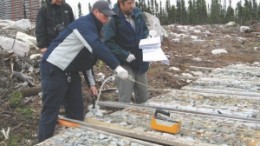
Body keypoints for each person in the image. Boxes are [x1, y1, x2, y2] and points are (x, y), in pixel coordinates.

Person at [38, 0, 128, 142]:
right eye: (105, 16)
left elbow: (87, 59)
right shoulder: (84, 25)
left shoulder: (96, 28)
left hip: (71, 70)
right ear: (96, 12)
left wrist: (91, 83)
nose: (107, 19)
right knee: (51, 111)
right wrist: (116, 66)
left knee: (76, 109)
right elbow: (96, 47)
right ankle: (43, 141)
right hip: (53, 67)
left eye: (109, 16)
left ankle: (74, 140)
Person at [103, 0, 149, 104]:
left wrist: (148, 36)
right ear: (121, 3)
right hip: (124, 63)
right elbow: (108, 42)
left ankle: (144, 117)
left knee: (144, 96)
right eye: (129, 3)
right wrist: (125, 55)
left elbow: (144, 30)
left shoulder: (138, 13)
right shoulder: (113, 18)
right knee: (125, 97)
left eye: (133, 2)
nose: (132, 6)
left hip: (141, 60)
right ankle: (124, 118)